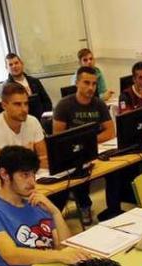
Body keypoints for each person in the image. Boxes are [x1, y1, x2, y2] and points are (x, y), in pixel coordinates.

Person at [52, 66, 116, 226]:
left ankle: (113, 208)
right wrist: (81, 145)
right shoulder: (64, 105)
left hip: (93, 149)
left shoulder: (99, 104)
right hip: (72, 154)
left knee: (116, 169)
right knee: (79, 169)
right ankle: (85, 205)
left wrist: (89, 142)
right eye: (86, 83)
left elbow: (110, 132)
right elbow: (57, 137)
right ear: (77, 83)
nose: (91, 88)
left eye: (94, 84)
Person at [0, 82, 47, 178]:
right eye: (17, 104)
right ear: (4, 105)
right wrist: (30, 157)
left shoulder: (33, 121)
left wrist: (29, 160)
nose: (24, 109)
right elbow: (10, 167)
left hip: (30, 173)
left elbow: (44, 157)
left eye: (26, 104)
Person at [5, 53, 53, 118]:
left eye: (16, 63)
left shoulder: (35, 81)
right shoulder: (7, 88)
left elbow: (47, 101)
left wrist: (44, 116)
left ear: (22, 64)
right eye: (10, 65)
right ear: (6, 68)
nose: (14, 66)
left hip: (41, 118)